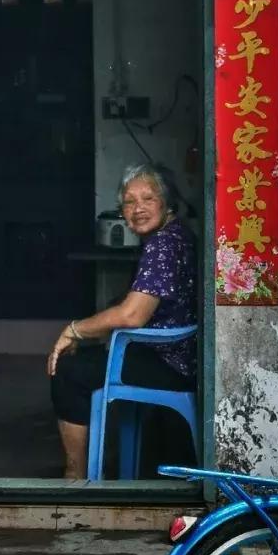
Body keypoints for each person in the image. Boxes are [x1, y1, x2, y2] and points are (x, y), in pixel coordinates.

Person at [49, 164, 196, 481]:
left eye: (148, 198)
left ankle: (74, 476)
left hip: (168, 362)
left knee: (69, 371)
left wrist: (73, 330)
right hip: (176, 354)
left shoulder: (162, 245)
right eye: (129, 202)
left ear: (167, 203)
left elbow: (133, 314)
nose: (138, 208)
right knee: (89, 354)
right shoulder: (175, 233)